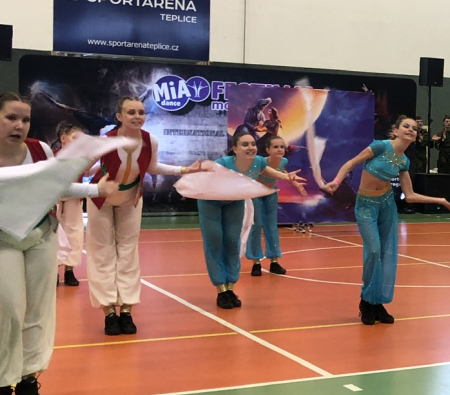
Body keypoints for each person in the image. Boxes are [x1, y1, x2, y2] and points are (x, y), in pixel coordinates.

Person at [0, 93, 117, 395]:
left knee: (39, 310)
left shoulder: (40, 150)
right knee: (9, 308)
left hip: (41, 236)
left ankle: (29, 379)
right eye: (11, 118)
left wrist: (96, 189)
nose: (19, 125)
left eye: (25, 120)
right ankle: (0, 383)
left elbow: (54, 188)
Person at [86, 96, 202, 337]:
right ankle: (108, 311)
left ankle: (127, 309)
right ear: (119, 116)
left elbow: (152, 167)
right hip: (100, 199)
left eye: (140, 112)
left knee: (128, 252)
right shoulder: (105, 141)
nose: (137, 116)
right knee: (102, 253)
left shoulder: (150, 141)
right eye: (131, 112)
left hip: (130, 199)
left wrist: (183, 170)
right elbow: (85, 168)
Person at [324, 116, 450, 324]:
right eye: (406, 126)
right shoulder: (380, 147)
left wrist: (440, 200)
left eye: (414, 128)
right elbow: (352, 163)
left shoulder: (404, 161)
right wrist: (336, 181)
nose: (411, 129)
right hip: (366, 205)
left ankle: (377, 303)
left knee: (385, 254)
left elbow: (410, 195)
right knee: (373, 250)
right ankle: (366, 301)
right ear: (396, 131)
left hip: (386, 205)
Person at [198, 132, 305, 309]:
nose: (251, 148)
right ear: (235, 148)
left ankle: (230, 287)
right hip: (211, 203)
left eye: (253, 144)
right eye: (245, 144)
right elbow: (204, 180)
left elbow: (266, 170)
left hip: (235, 201)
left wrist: (286, 177)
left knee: (233, 241)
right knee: (215, 241)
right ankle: (220, 290)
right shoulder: (223, 163)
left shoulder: (259, 161)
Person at [246, 135, 290, 277]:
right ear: (268, 150)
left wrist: (293, 181)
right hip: (256, 193)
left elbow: (282, 173)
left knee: (271, 226)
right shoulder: (261, 162)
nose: (279, 149)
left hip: (271, 194)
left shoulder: (284, 161)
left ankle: (274, 261)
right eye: (275, 147)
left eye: (282, 147)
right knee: (256, 225)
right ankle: (256, 262)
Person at [54, 122, 87, 288]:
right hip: (54, 200)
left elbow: (87, 172)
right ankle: (53, 271)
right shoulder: (52, 157)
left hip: (74, 199)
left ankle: (69, 270)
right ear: (63, 138)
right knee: (53, 235)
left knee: (74, 233)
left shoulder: (81, 159)